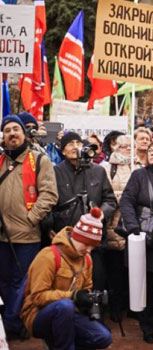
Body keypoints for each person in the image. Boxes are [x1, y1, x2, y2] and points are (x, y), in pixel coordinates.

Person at [20, 208, 113, 350]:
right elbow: (38, 296)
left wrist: (88, 300)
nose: (89, 250)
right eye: (86, 244)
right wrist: (72, 296)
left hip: (70, 313)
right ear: (77, 237)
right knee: (65, 306)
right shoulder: (48, 256)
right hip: (38, 314)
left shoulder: (87, 259)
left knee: (103, 337)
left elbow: (86, 287)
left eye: (93, 247)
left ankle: (60, 344)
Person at [0, 115, 58, 339]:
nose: (12, 134)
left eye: (16, 129)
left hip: (26, 236)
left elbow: (49, 194)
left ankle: (14, 325)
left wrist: (30, 219)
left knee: (21, 282)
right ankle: (12, 322)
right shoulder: (1, 160)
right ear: (3, 137)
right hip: (2, 236)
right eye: (7, 131)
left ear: (24, 133)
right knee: (4, 281)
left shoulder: (39, 160)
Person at [120, 141, 153, 343]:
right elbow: (126, 201)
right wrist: (133, 227)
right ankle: (147, 327)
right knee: (147, 286)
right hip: (146, 237)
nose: (152, 152)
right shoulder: (139, 175)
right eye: (150, 150)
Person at [52, 131, 117, 290]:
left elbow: (110, 200)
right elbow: (49, 203)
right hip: (66, 238)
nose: (75, 147)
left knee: (96, 281)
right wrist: (50, 228)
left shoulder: (98, 171)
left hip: (93, 239)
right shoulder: (55, 172)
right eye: (70, 144)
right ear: (63, 150)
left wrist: (101, 214)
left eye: (78, 143)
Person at [100, 134, 133, 319]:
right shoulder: (106, 167)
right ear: (114, 147)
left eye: (130, 146)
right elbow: (107, 194)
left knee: (131, 270)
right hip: (114, 225)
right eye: (123, 146)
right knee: (115, 270)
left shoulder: (136, 166)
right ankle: (115, 307)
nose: (127, 149)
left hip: (132, 225)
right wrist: (128, 198)